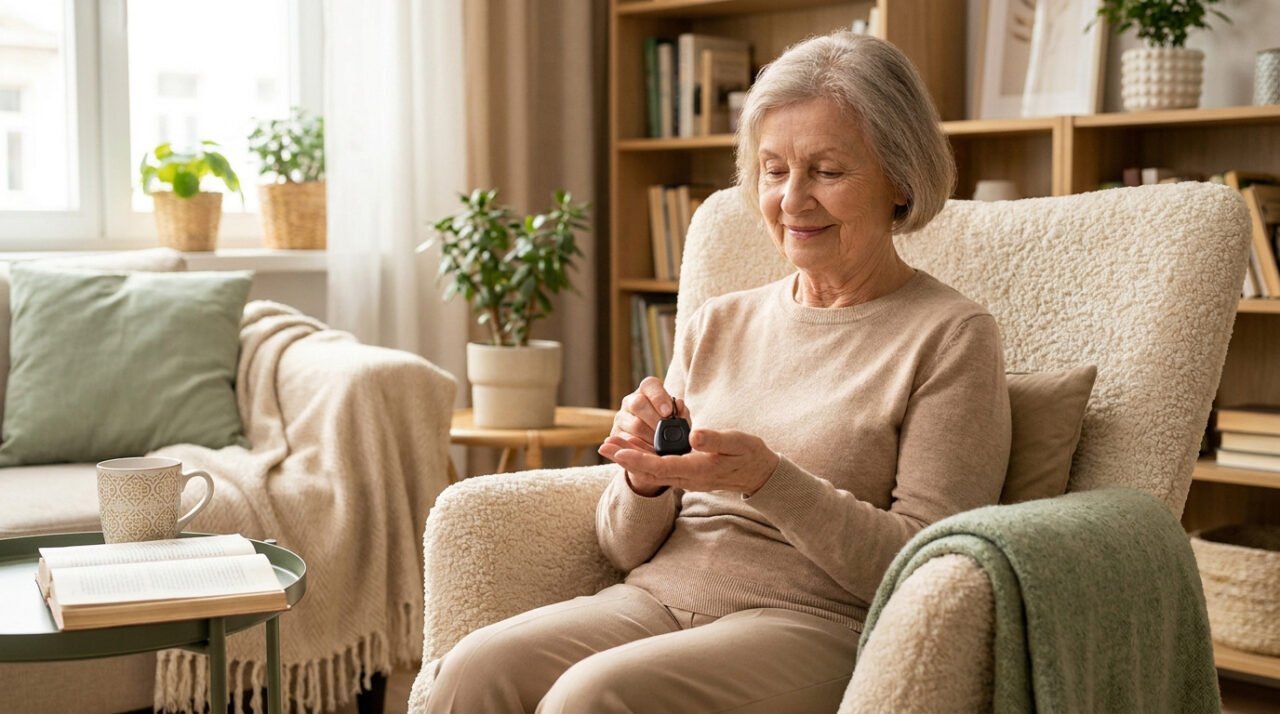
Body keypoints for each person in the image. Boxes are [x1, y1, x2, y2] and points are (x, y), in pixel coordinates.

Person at [424, 31, 1011, 714]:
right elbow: (621, 545)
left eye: (827, 171)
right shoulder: (718, 323)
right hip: (653, 601)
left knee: (591, 700)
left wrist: (769, 480)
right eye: (773, 169)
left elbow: (929, 567)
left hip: (814, 624)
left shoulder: (951, 336)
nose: (792, 200)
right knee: (471, 670)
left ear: (901, 179)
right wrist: (643, 478)